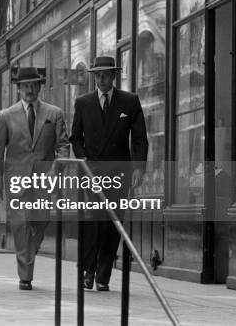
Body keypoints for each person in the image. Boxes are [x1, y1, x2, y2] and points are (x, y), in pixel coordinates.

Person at [69, 55, 148, 292]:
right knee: (92, 222)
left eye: (105, 74)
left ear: (114, 76)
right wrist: (83, 159)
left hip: (119, 173)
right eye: (97, 75)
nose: (101, 79)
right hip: (91, 172)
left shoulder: (130, 101)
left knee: (113, 224)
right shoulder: (83, 102)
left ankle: (103, 275)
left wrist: (138, 169)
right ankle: (88, 270)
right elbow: (75, 137)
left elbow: (140, 139)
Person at [0, 67, 70, 290]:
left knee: (41, 222)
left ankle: (28, 252)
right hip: (16, 180)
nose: (30, 89)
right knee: (21, 223)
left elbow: (63, 146)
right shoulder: (5, 116)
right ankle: (25, 275)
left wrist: (57, 169)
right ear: (18, 89)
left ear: (40, 87)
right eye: (25, 85)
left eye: (34, 85)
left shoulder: (54, 113)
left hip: (45, 179)